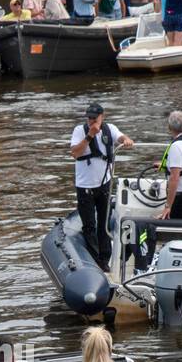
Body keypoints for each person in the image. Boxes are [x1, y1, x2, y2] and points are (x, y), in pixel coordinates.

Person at [70, 102, 135, 270]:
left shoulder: (109, 129)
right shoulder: (80, 131)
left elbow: (121, 137)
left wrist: (126, 140)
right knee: (89, 224)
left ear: (102, 117)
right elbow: (75, 153)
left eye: (94, 118)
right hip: (85, 186)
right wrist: (89, 136)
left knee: (104, 223)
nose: (91, 121)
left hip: (104, 184)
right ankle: (93, 259)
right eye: (89, 118)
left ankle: (104, 259)